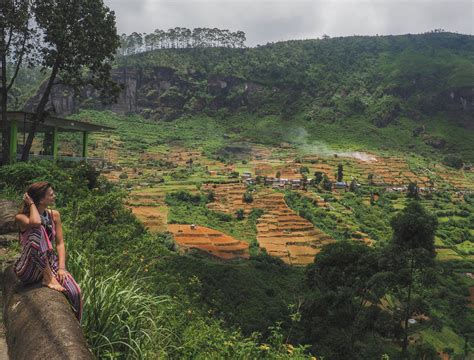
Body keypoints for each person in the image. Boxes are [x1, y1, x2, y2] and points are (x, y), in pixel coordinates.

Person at [14, 181, 83, 322]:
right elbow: (35, 223)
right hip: (29, 267)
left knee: (76, 291)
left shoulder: (54, 215)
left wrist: (62, 268)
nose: (54, 196)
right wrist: (32, 204)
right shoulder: (21, 217)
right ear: (40, 199)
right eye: (51, 194)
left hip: (51, 262)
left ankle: (76, 323)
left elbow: (60, 243)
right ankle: (48, 278)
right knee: (37, 229)